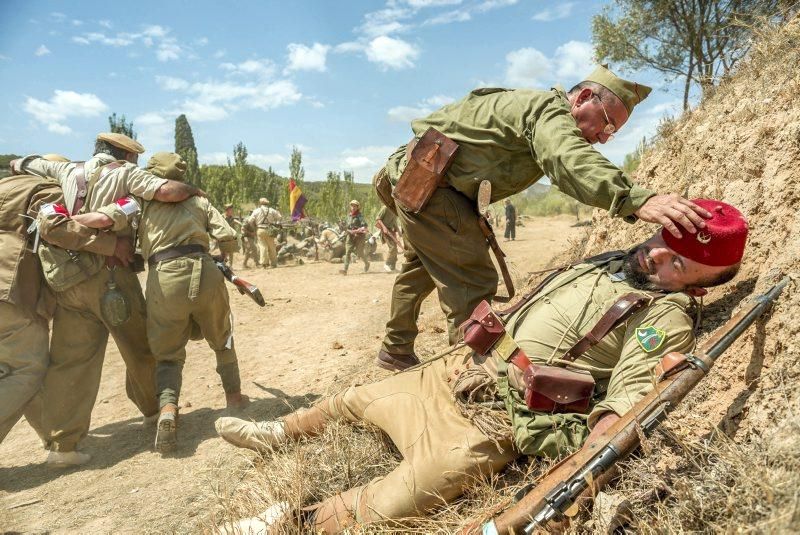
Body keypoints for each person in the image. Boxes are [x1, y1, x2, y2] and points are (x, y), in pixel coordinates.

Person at [215, 199, 747, 533]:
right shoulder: (612, 260)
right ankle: (277, 431)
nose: (656, 257)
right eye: (662, 242)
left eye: (677, 262)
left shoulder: (666, 313)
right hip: (457, 369)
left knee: (398, 499)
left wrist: (594, 454)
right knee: (352, 398)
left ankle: (282, 522)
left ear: (697, 286)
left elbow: (628, 395)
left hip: (488, 419)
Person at [374, 65, 714, 372]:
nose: (604, 138)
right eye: (607, 124)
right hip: (433, 185)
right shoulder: (548, 111)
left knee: (420, 267)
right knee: (472, 282)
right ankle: (471, 374)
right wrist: (637, 199)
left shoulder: (532, 107)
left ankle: (396, 348)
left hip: (420, 177)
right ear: (583, 97)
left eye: (613, 133)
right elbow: (568, 159)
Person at [10, 132, 202, 466]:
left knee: (71, 360)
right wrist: (194, 191)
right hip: (110, 276)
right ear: (126, 156)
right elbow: (165, 190)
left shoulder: (68, 171)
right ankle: (155, 412)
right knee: (140, 346)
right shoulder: (126, 174)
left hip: (67, 281)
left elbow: (23, 163)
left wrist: (18, 162)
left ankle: (63, 446)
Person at [75, 152, 250, 454]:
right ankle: (234, 398)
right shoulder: (199, 200)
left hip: (164, 277)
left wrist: (68, 220)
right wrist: (222, 257)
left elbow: (104, 218)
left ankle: (168, 410)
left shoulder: (137, 202)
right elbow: (227, 235)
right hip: (204, 269)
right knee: (223, 339)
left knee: (167, 354)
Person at [0, 159, 132, 444]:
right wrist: (111, 245)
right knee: (28, 370)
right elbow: (57, 227)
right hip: (12, 290)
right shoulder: (44, 191)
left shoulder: (3, 188)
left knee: (15, 369)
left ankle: (54, 438)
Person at [249, 198, 282, 268]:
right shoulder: (272, 210)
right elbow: (280, 217)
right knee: (272, 246)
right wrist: (277, 224)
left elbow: (250, 221)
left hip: (260, 230)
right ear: (267, 203)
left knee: (262, 246)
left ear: (260, 203)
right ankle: (273, 263)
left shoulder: (256, 211)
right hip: (270, 229)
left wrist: (254, 228)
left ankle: (265, 263)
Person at [339, 200, 369, 275]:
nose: (353, 207)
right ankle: (345, 269)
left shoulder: (360, 216)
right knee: (348, 252)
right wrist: (343, 226)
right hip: (350, 236)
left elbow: (364, 226)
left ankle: (367, 263)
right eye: (352, 206)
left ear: (357, 207)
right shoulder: (349, 216)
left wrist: (356, 231)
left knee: (360, 252)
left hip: (359, 236)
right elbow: (347, 226)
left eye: (355, 206)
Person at [375, 205, 401, 272]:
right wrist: (384, 228)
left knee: (395, 248)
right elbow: (378, 218)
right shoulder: (385, 207)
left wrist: (398, 231)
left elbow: (394, 222)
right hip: (385, 230)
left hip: (391, 230)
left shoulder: (395, 209)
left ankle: (393, 267)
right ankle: (387, 264)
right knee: (392, 247)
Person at [222, 203, 242, 268]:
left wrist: (240, 223)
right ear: (227, 210)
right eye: (231, 210)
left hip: (230, 237)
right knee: (224, 252)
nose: (232, 211)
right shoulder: (222, 217)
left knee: (231, 251)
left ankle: (230, 265)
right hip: (223, 237)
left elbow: (235, 223)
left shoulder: (232, 218)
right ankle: (223, 264)